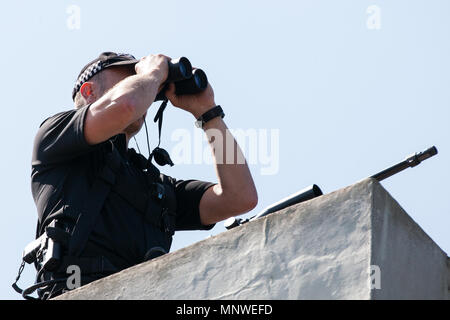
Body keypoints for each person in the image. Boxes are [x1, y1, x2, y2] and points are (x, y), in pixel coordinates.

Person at [31, 52, 258, 299]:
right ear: (89, 92)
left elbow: (239, 197)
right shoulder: (54, 136)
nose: (146, 89)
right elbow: (124, 106)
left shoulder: (156, 188)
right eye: (130, 79)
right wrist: (151, 74)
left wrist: (208, 113)